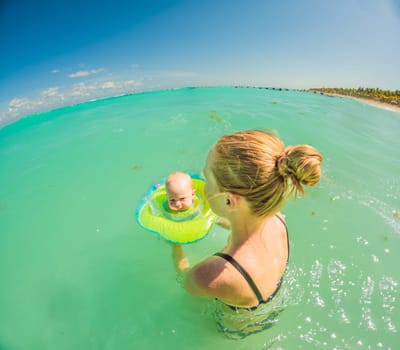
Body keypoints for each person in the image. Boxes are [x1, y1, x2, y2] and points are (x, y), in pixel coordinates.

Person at [170, 129, 322, 338]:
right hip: (270, 304)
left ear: (229, 201)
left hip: (233, 327)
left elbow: (185, 281)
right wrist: (219, 219)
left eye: (207, 178)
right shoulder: (278, 219)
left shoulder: (209, 276)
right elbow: (244, 221)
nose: (203, 184)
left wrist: (174, 242)